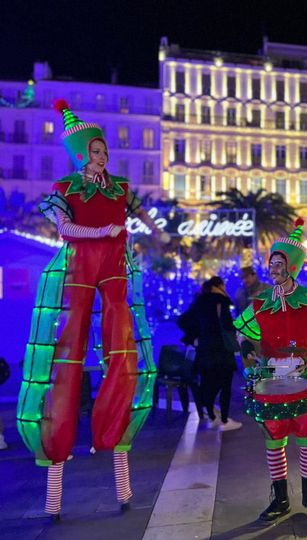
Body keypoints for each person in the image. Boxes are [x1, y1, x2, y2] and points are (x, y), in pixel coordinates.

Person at [16, 99, 169, 519]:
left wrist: (159, 233)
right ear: (83, 155)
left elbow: (144, 213)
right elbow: (64, 228)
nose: (103, 157)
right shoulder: (64, 189)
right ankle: (55, 465)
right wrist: (101, 229)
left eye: (105, 151)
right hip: (79, 269)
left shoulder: (119, 187)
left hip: (115, 269)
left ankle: (117, 444)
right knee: (65, 355)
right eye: (97, 151)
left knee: (123, 350)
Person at [234, 218, 307, 521]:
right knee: (274, 439)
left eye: (280, 263)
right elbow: (242, 331)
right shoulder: (259, 303)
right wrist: (244, 346)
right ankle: (279, 497)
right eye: (272, 262)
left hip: (303, 377)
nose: (274, 268)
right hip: (270, 379)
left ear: (292, 267)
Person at [188, 276, 243, 431]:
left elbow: (184, 321)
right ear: (219, 286)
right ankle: (224, 421)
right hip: (222, 350)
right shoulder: (220, 300)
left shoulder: (200, 301)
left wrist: (195, 339)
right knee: (225, 385)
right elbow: (227, 325)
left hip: (205, 351)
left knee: (208, 382)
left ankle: (212, 417)